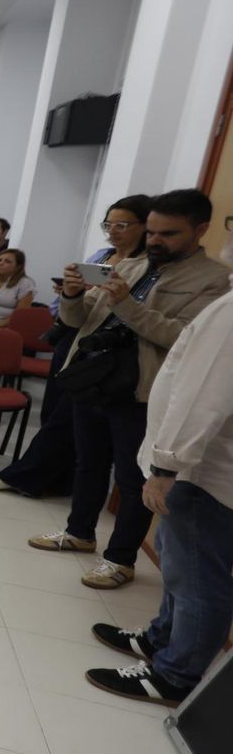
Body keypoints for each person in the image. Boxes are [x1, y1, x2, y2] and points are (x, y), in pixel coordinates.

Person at [28, 189, 230, 590]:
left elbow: (181, 338)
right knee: (87, 464)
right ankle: (79, 532)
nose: (155, 241)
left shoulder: (215, 283)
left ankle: (120, 559)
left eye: (168, 234)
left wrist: (126, 304)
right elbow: (83, 318)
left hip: (141, 391)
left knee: (133, 481)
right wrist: (70, 294)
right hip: (94, 379)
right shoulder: (132, 265)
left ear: (201, 229)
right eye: (151, 232)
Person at [85, 282, 233, 707]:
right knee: (177, 559)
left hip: (205, 469)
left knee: (198, 579)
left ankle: (176, 675)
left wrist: (167, 464)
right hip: (199, 466)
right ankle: (161, 639)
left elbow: (204, 397)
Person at [0, 195, 153, 499]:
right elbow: (76, 308)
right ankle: (56, 479)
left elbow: (130, 312)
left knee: (67, 417)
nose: (113, 231)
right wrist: (69, 293)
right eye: (108, 224)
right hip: (73, 338)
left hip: (109, 352)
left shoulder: (147, 266)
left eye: (122, 225)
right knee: (56, 412)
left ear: (145, 226)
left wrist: (108, 295)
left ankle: (24, 476)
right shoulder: (102, 255)